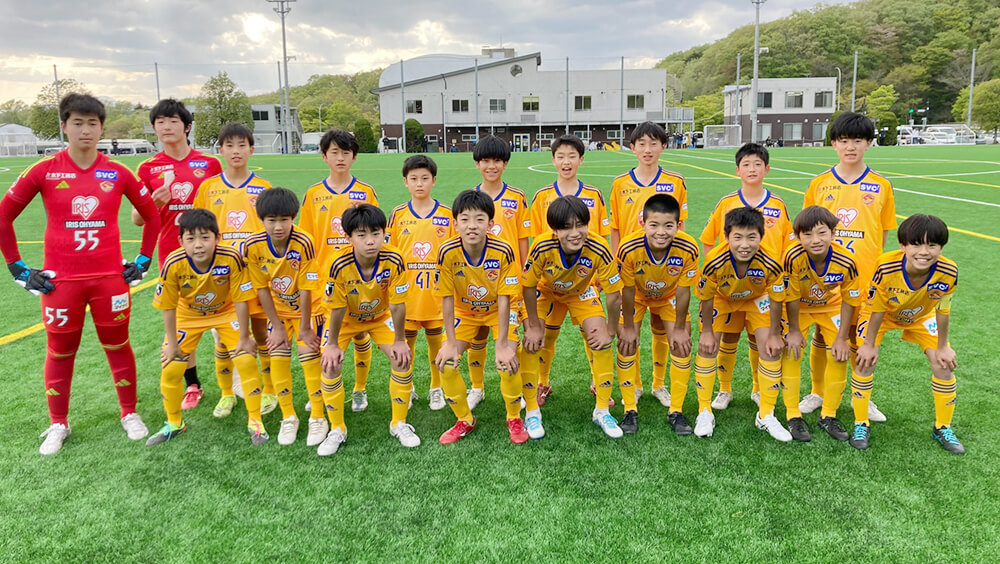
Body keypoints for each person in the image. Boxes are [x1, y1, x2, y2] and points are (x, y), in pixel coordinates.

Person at [0, 93, 161, 455]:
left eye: (92, 123)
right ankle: (58, 422)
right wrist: (18, 268)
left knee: (118, 346)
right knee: (60, 351)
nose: (85, 130)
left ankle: (129, 412)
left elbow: (152, 215)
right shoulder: (44, 170)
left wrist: (143, 260)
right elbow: (3, 215)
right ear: (64, 126)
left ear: (102, 128)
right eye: (77, 122)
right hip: (61, 283)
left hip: (109, 280)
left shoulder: (118, 172)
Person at [801, 112, 896, 424]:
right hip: (825, 277)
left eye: (857, 140)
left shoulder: (881, 185)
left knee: (859, 337)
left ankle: (862, 396)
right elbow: (806, 231)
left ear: (868, 143)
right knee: (821, 333)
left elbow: (882, 233)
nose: (850, 147)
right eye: (844, 141)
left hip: (865, 278)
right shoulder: (820, 184)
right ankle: (817, 392)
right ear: (834, 144)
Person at [146, 209, 268, 447]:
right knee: (171, 367)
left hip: (226, 311)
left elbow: (241, 299)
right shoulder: (173, 263)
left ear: (217, 237)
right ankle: (174, 423)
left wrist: (244, 337)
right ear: (181, 241)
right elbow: (168, 307)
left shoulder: (230, 257)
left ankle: (255, 420)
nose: (198, 245)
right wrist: (172, 343)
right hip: (188, 315)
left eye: (205, 237)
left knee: (245, 360)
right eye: (191, 238)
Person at [132, 98, 223, 410]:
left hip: (211, 254)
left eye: (173, 121)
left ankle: (231, 381)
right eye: (160, 122)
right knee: (184, 323)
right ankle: (192, 384)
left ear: (187, 127)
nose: (166, 127)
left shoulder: (209, 164)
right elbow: (137, 218)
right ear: (154, 128)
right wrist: (154, 203)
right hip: (172, 255)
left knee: (223, 317)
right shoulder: (148, 168)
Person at [850, 214, 963, 454]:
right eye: (916, 244)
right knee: (865, 360)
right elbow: (877, 308)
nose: (924, 252)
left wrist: (943, 346)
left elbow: (943, 310)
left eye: (932, 245)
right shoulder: (886, 266)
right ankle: (861, 422)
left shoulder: (948, 270)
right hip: (882, 315)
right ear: (903, 246)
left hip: (921, 315)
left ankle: (942, 427)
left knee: (943, 364)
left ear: (941, 248)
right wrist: (869, 344)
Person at [699, 142, 793, 411]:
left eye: (757, 164)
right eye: (746, 164)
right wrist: (720, 274)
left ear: (767, 169)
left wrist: (777, 278)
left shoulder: (777, 204)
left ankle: (757, 389)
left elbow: (787, 245)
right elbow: (709, 241)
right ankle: (724, 389)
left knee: (758, 338)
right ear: (737, 170)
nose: (752, 169)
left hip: (762, 288)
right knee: (728, 338)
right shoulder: (727, 203)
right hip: (728, 289)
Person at [192, 122, 277, 417]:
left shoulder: (263, 188)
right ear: (221, 150)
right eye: (230, 145)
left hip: (257, 274)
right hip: (221, 277)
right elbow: (199, 230)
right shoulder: (209, 188)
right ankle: (227, 393)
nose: (236, 151)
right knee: (222, 338)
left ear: (251, 150)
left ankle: (269, 389)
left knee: (262, 334)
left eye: (242, 145)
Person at [522, 196, 624, 438]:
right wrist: (533, 325)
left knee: (600, 341)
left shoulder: (599, 247)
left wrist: (610, 330)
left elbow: (613, 295)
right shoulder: (542, 245)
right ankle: (533, 410)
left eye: (581, 225)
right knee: (533, 341)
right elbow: (528, 286)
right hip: (547, 291)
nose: (575, 233)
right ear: (555, 230)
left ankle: (602, 410)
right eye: (567, 227)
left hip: (581, 291)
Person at [317, 204, 415, 455]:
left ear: (384, 233)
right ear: (348, 237)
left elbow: (397, 304)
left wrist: (400, 340)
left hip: (380, 317)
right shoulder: (337, 263)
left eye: (376, 233)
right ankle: (337, 429)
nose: (370, 241)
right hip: (345, 320)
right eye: (361, 235)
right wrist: (332, 344)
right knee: (330, 364)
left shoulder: (394, 259)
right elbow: (336, 308)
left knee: (401, 359)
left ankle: (399, 423)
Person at [433, 190, 527, 444]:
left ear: (491, 224)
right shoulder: (447, 251)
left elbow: (505, 298)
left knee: (508, 360)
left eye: (479, 219)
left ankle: (514, 417)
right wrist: (450, 342)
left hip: (499, 310)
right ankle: (465, 419)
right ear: (455, 224)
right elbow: (446, 298)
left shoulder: (503, 250)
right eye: (465, 219)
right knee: (446, 362)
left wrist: (502, 344)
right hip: (465, 312)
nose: (472, 225)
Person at [298, 129, 379, 413]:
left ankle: (359, 389)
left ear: (354, 157)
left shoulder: (365, 192)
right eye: (334, 152)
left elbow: (376, 236)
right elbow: (306, 242)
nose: (340, 158)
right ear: (324, 156)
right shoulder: (313, 194)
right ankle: (326, 388)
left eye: (346, 153)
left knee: (360, 335)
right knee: (328, 338)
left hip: (359, 278)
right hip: (326, 281)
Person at [692, 207, 788, 441]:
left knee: (770, 348)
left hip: (757, 298)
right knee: (708, 347)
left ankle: (766, 414)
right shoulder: (714, 260)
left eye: (751, 237)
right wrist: (706, 331)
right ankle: (704, 410)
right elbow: (706, 297)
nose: (744, 244)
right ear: (726, 237)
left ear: (761, 236)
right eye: (738, 237)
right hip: (722, 299)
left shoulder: (771, 261)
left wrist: (775, 334)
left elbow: (777, 298)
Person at [609, 121, 689, 400]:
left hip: (666, 269)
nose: (647, 149)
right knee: (629, 328)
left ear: (663, 146)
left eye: (653, 143)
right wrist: (617, 266)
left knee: (661, 327)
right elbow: (615, 229)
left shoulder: (675, 182)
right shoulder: (620, 183)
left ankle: (658, 384)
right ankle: (635, 384)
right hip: (632, 270)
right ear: (632, 147)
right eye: (641, 143)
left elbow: (681, 226)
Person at [528, 134, 609, 406]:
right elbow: (536, 241)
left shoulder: (594, 195)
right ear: (553, 160)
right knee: (547, 333)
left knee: (593, 332)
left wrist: (598, 276)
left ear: (581, 160)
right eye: (561, 156)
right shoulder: (542, 196)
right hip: (549, 282)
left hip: (584, 280)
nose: (566, 161)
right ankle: (542, 383)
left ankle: (598, 382)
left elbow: (601, 238)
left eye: (572, 156)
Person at [243, 187, 327, 446]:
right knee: (277, 355)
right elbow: (261, 288)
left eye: (284, 220)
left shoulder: (304, 242)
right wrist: (277, 325)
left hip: (309, 309)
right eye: (272, 220)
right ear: (261, 219)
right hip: (278, 312)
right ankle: (288, 416)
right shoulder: (253, 245)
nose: (278, 226)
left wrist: (305, 328)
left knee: (308, 356)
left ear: (293, 218)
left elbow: (306, 287)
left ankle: (317, 415)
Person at [616, 194, 699, 434]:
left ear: (678, 225)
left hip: (669, 295)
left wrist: (681, 328)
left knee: (681, 344)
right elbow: (627, 290)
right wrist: (628, 326)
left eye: (668, 225)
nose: (661, 232)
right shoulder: (628, 248)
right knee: (626, 343)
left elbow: (683, 291)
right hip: (637, 295)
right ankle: (629, 409)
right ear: (642, 223)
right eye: (654, 225)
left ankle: (676, 410)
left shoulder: (688, 248)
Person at [781, 206, 862, 442]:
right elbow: (791, 296)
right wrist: (794, 330)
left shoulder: (847, 260)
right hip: (799, 307)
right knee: (791, 350)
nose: (815, 240)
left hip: (831, 306)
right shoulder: (792, 257)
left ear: (833, 233)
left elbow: (850, 300)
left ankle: (829, 414)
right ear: (798, 237)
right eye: (807, 234)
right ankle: (792, 414)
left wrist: (842, 338)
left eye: (822, 233)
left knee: (839, 354)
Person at [465, 135, 531, 411]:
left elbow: (523, 240)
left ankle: (520, 389)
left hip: (510, 282)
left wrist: (525, 276)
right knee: (477, 336)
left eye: (497, 161)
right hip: (477, 281)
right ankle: (477, 388)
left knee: (512, 338)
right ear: (477, 164)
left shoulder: (517, 197)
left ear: (505, 164)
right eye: (485, 161)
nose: (491, 166)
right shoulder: (470, 199)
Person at [386, 155, 455, 411]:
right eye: (413, 178)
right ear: (405, 182)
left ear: (434, 181)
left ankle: (436, 388)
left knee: (437, 344)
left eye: (425, 178)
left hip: (436, 295)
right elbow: (389, 254)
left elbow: (454, 253)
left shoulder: (446, 214)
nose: (419, 183)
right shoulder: (398, 214)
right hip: (407, 295)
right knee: (406, 344)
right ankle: (408, 386)